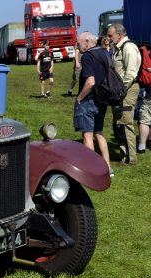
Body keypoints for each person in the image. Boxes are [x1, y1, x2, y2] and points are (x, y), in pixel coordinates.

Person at [74, 31, 112, 175]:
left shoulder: (88, 56)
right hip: (102, 98)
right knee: (99, 133)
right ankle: (108, 168)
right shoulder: (105, 53)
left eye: (79, 43)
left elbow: (90, 82)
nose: (78, 46)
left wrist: (79, 98)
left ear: (88, 42)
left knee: (87, 135)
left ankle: (92, 169)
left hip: (89, 100)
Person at [108, 23, 141, 165]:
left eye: (111, 35)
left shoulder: (128, 48)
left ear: (119, 34)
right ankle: (124, 154)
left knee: (125, 123)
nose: (109, 38)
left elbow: (131, 73)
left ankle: (130, 158)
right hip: (121, 90)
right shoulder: (119, 48)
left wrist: (120, 90)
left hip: (127, 90)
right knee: (118, 123)